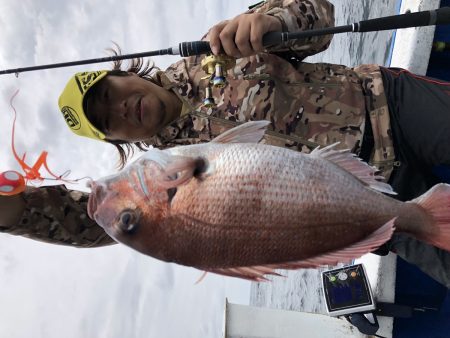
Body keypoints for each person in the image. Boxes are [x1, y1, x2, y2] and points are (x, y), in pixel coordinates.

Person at [1, 0, 450, 286]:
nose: (118, 109)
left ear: (123, 73)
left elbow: (321, 16)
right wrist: (10, 211)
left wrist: (272, 19)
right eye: (105, 122)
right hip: (356, 209)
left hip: (386, 108)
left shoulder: (215, 48)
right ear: (115, 140)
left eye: (107, 94)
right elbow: (91, 222)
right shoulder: (155, 196)